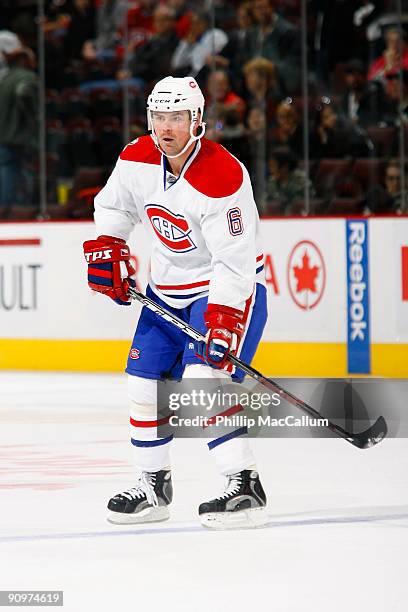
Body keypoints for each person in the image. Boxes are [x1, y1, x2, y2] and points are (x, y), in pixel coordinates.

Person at [83, 76, 268, 529]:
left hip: (223, 293)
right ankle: (153, 487)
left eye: (177, 118)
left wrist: (223, 320)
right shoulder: (135, 157)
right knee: (143, 386)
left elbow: (235, 262)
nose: (166, 127)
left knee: (202, 382)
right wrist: (109, 243)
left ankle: (244, 485)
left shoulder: (223, 174)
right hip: (165, 295)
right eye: (159, 117)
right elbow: (113, 205)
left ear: (197, 120)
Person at [0, 46, 38, 215]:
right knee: (16, 173)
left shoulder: (5, 78)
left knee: (7, 171)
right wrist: (32, 120)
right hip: (18, 138)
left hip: (4, 136)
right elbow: (24, 94)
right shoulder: (26, 77)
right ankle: (15, 211)